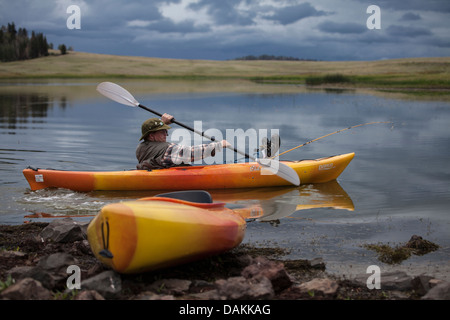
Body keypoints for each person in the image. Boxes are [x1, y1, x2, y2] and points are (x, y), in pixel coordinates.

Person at [136, 113, 231, 170]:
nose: (166, 134)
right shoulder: (166, 150)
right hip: (169, 179)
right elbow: (190, 153)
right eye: (162, 132)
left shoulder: (141, 148)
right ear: (151, 136)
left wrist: (162, 122)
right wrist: (218, 145)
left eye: (166, 131)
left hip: (154, 176)